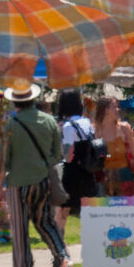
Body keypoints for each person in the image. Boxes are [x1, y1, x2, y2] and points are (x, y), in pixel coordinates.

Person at [4, 84, 74, 267]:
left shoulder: (11, 124)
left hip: (18, 182)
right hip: (43, 180)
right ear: (33, 99)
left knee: (20, 229)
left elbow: (5, 158)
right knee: (46, 223)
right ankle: (64, 259)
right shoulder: (49, 120)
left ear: (15, 101)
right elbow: (57, 154)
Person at [55, 89, 96, 234]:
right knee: (89, 211)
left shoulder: (67, 127)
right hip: (89, 171)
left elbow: (68, 155)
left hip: (72, 172)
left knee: (61, 212)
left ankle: (60, 249)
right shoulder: (87, 123)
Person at [93, 96, 134, 197]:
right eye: (114, 107)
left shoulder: (124, 128)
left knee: (128, 211)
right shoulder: (96, 131)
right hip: (105, 180)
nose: (118, 109)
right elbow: (98, 158)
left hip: (126, 177)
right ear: (106, 110)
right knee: (107, 212)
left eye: (118, 107)